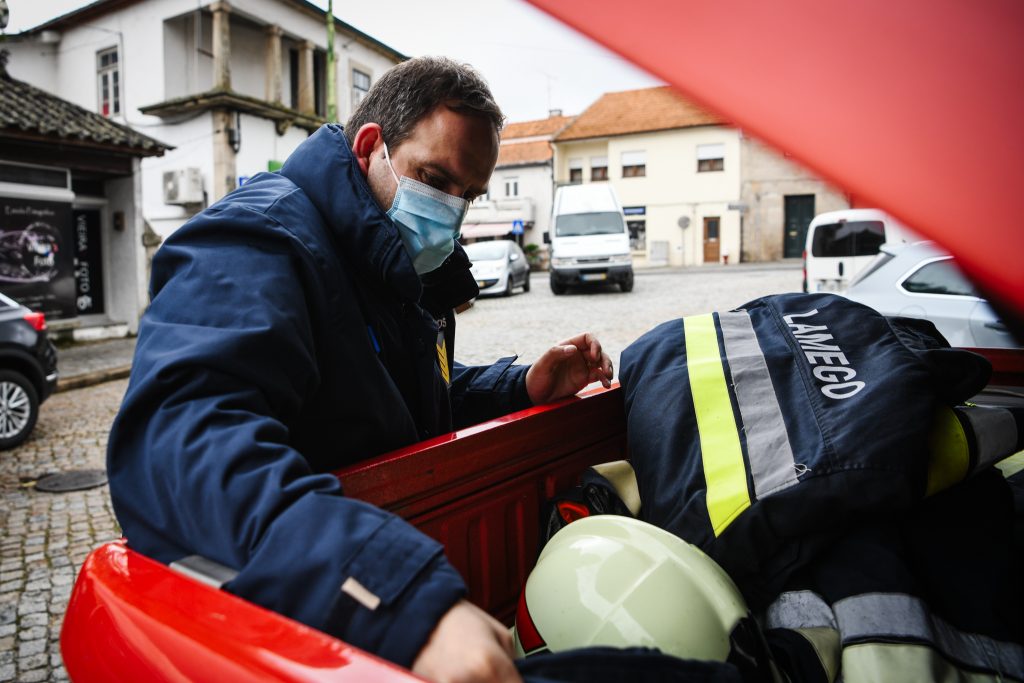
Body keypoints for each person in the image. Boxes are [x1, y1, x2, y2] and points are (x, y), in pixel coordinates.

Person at [107, 56, 612, 683]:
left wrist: (522, 385)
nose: (451, 213)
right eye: (434, 178)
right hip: (304, 638)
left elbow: (408, 404)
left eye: (469, 195)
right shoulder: (259, 239)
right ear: (370, 145)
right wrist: (396, 598)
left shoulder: (399, 266)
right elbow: (179, 448)